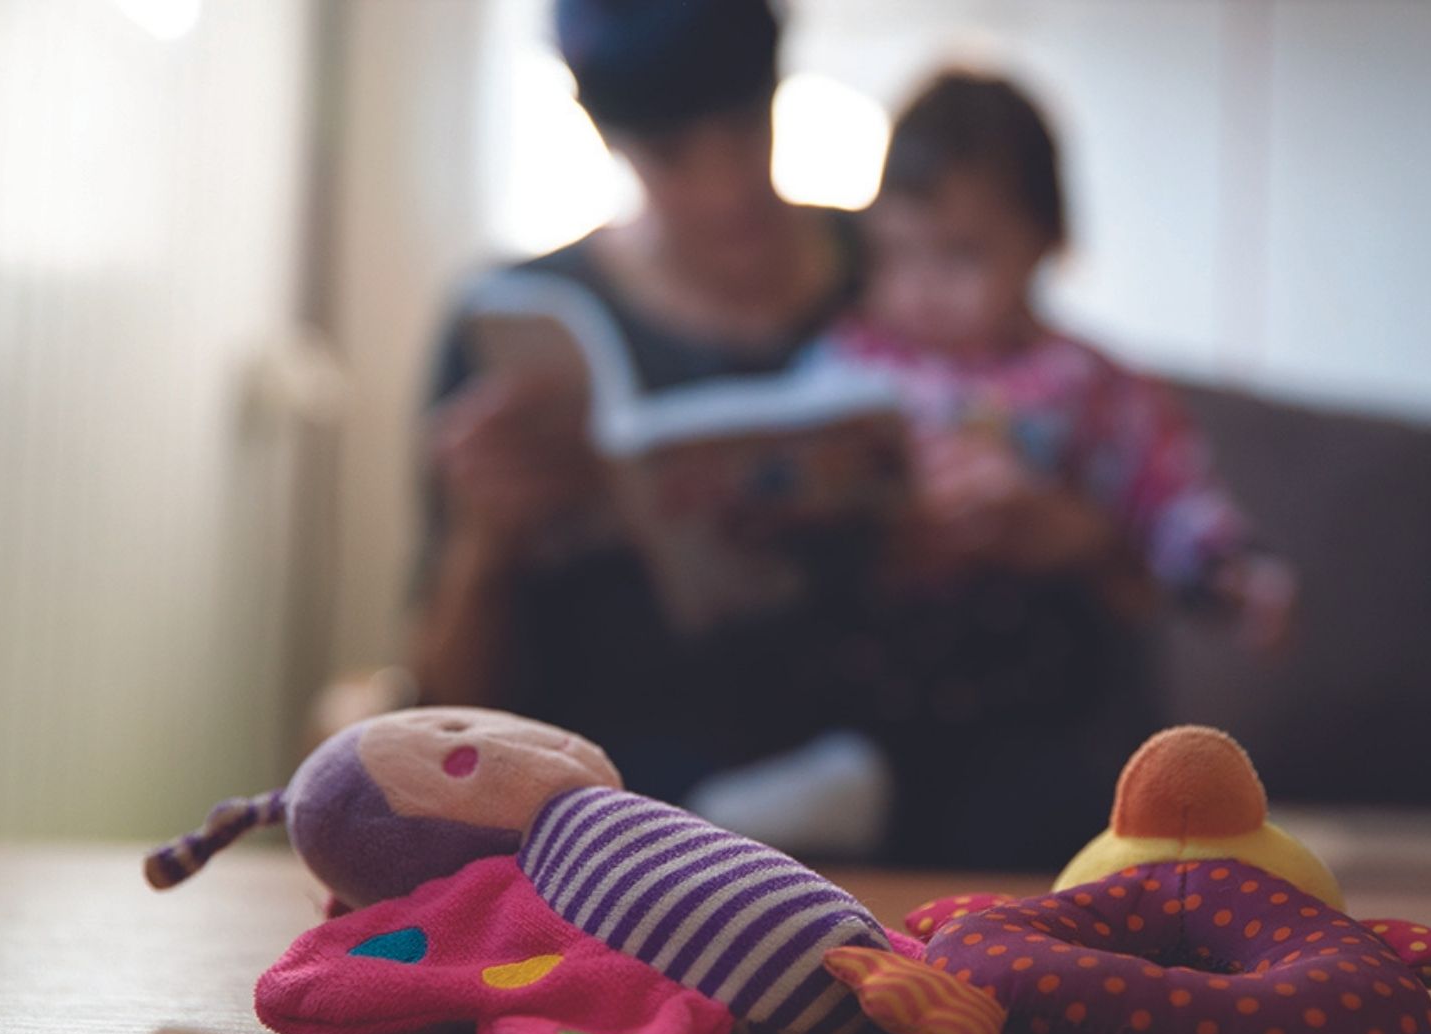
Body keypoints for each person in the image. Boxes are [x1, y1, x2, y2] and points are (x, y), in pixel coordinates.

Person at [739, 70, 1296, 866]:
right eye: (898, 254)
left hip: (1031, 679)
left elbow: (1172, 495)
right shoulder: (850, 361)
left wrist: (1230, 569)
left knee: (1051, 713)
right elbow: (778, 463)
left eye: (961, 256)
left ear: (1045, 240)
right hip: (875, 666)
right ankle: (838, 784)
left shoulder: (1089, 383)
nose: (922, 287)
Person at [411, 0, 872, 806]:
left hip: (900, 790)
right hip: (616, 826)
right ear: (610, 142)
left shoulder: (909, 271)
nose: (726, 188)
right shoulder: (514, 326)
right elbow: (439, 715)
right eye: (671, 154)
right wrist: (484, 547)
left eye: (743, 127)